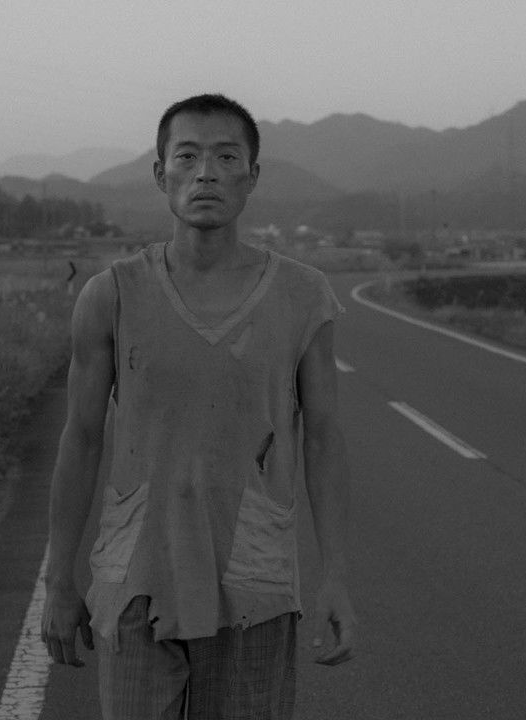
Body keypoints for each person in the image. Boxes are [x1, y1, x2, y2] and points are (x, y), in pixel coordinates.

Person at [41, 93, 356, 719]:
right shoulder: (111, 295)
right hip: (137, 576)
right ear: (161, 174)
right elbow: (81, 437)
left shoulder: (303, 296)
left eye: (226, 157)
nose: (205, 173)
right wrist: (58, 579)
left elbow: (323, 437)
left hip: (253, 584)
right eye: (187, 156)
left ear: (252, 177)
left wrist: (336, 578)